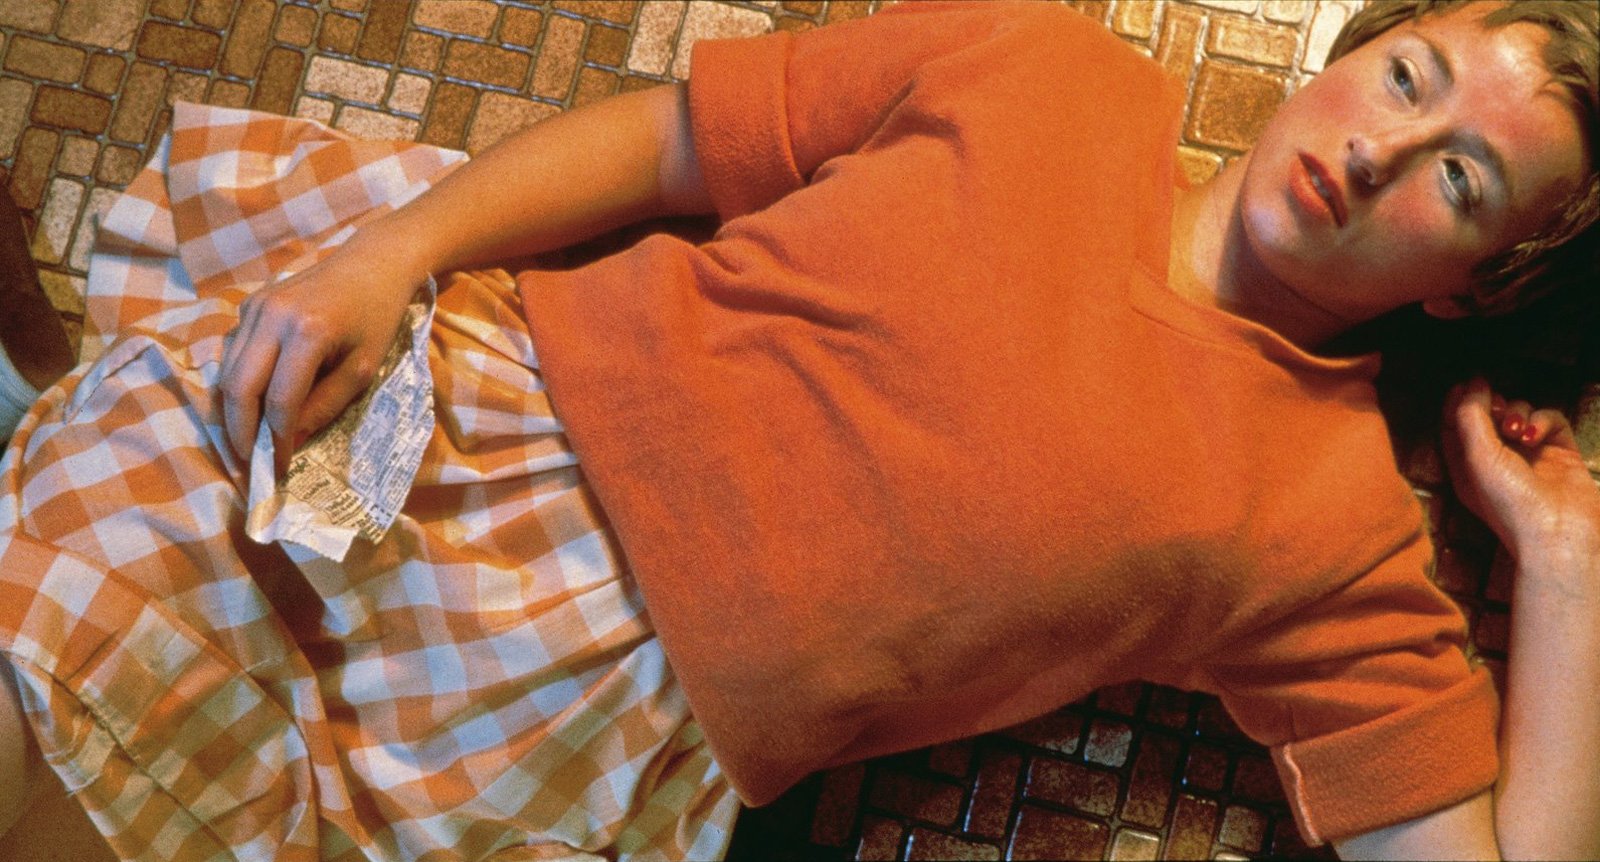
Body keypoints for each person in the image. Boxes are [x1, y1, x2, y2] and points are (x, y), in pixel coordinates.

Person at [0, 0, 1595, 858]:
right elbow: (675, 144)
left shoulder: (1327, 527)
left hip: (571, 725)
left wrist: (1569, 568)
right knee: (53, 649)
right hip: (452, 424)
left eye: (1460, 179)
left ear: (1475, 285)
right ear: (1355, 45)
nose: (1381, 150)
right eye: (1410, 75)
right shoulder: (1050, 66)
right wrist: (395, 249)